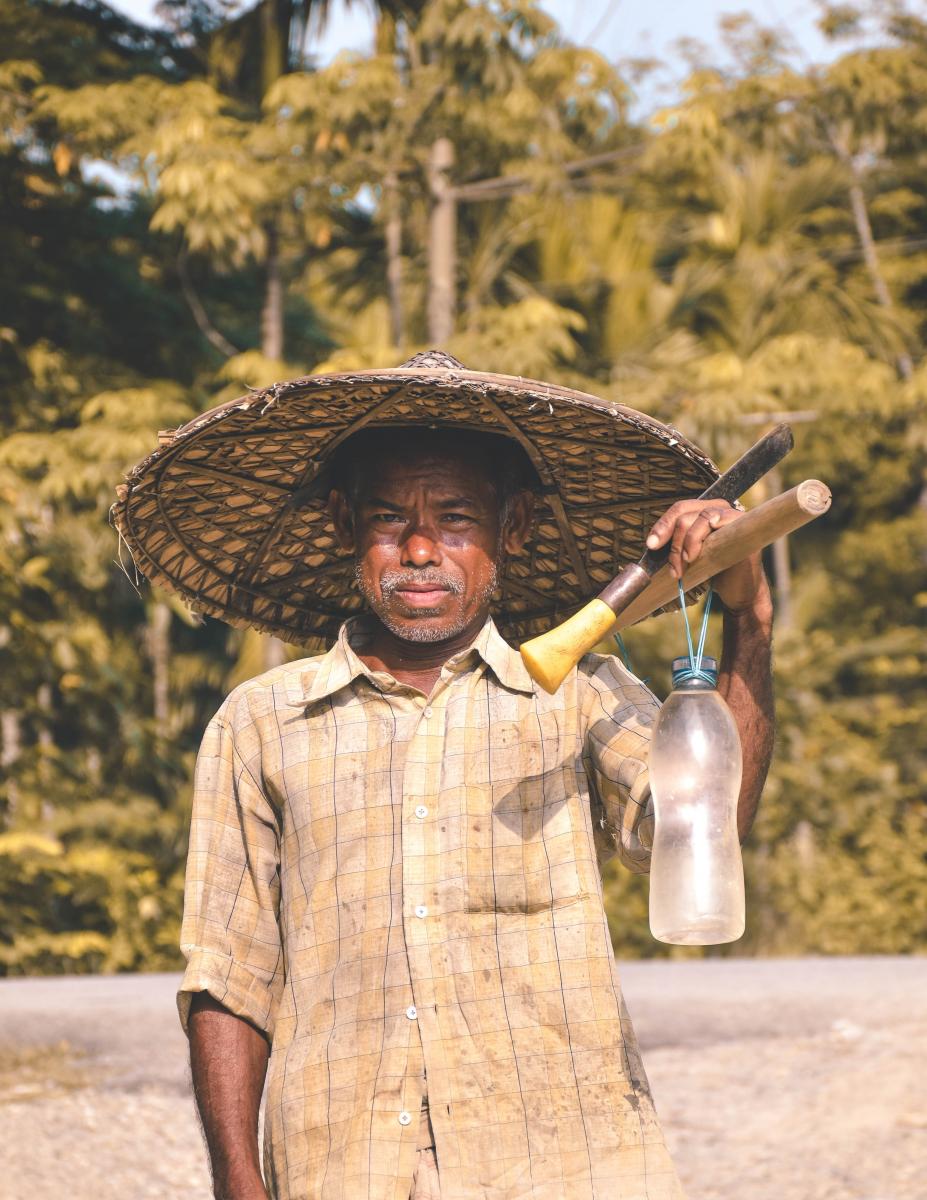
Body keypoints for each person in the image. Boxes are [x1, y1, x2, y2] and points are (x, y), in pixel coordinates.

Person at [114, 353, 773, 1200]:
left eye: (455, 519)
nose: (419, 550)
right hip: (342, 1164)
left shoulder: (578, 695)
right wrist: (239, 1183)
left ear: (516, 526)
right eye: (389, 519)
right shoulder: (260, 722)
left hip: (567, 1163)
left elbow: (702, 830)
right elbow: (228, 978)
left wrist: (746, 622)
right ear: (345, 522)